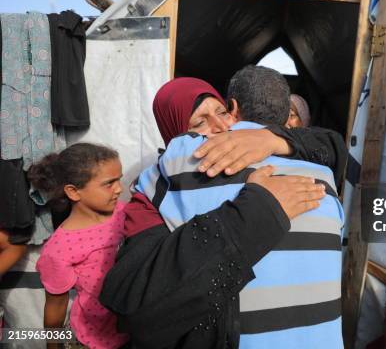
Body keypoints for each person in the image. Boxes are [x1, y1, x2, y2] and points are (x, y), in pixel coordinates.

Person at [100, 75, 347, 348]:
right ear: (175, 133)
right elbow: (136, 305)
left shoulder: (282, 152)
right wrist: (257, 211)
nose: (219, 127)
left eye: (221, 112)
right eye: (199, 123)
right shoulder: (160, 186)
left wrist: (272, 138)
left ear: (234, 110)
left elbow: (332, 145)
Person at [30, 143, 129, 349]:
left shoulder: (126, 213)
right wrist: (53, 346)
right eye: (109, 183)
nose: (119, 189)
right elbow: (56, 307)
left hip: (133, 329)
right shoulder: (59, 250)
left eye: (119, 179)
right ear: (74, 192)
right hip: (94, 339)